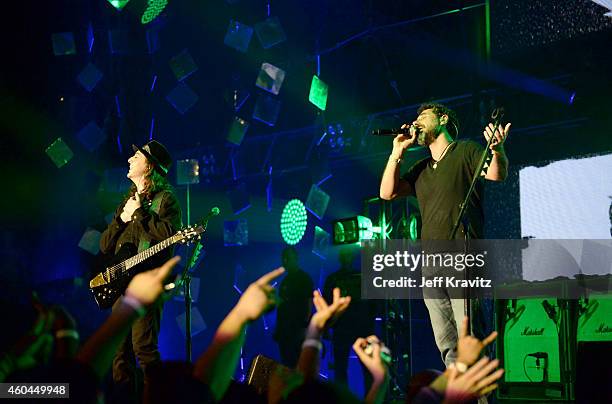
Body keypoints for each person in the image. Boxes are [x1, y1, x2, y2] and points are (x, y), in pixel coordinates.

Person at [379, 103, 511, 368]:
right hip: (430, 263)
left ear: (443, 118)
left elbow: (497, 173)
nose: (416, 122)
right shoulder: (421, 168)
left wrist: (497, 150)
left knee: (470, 339)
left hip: (462, 256)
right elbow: (387, 192)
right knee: (447, 344)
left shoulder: (465, 150)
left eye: (423, 117)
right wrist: (396, 153)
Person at [99, 140, 182, 399]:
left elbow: (169, 236)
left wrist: (139, 215)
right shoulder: (127, 201)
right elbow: (104, 246)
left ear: (148, 166)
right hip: (121, 286)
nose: (129, 159)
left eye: (136, 156)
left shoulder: (166, 200)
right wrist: (122, 219)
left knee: (143, 349)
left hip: (145, 286)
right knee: (118, 353)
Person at [323, 246, 377, 387]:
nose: (346, 257)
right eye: (344, 254)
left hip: (361, 327)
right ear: (340, 256)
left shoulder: (362, 277)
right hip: (343, 328)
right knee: (341, 369)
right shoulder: (333, 279)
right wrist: (327, 326)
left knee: (367, 368)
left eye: (348, 254)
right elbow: (327, 305)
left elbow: (373, 304)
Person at [273, 247, 314, 368]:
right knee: (288, 364)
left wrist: (305, 325)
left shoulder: (304, 278)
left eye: (287, 258)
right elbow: (281, 306)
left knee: (297, 365)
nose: (285, 261)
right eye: (283, 258)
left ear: (295, 259)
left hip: (297, 329)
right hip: (285, 331)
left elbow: (308, 302)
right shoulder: (285, 281)